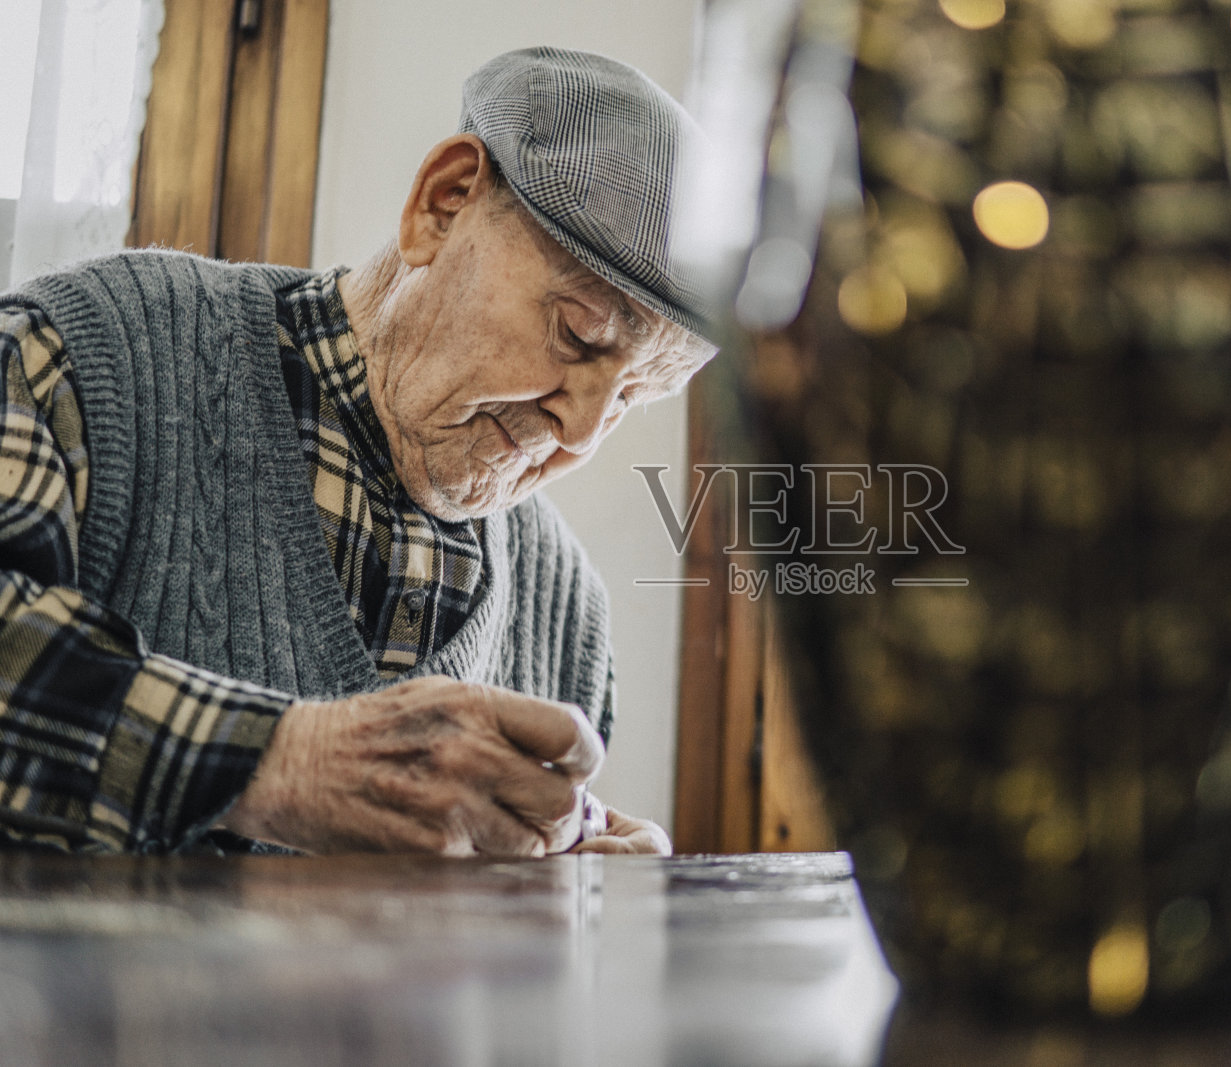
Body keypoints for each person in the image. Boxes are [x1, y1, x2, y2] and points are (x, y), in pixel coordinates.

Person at [0, 47, 714, 856]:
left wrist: (574, 903)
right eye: (577, 334)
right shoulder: (92, 353)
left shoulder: (568, 611)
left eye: (631, 396)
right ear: (442, 204)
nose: (582, 431)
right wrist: (282, 762)